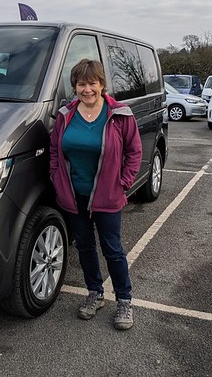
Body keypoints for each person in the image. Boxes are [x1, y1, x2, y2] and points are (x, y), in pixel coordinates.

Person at [50, 59, 142, 330]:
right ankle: (95, 293)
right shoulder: (65, 115)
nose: (87, 89)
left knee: (112, 249)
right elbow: (55, 152)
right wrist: (57, 180)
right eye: (81, 84)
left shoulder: (120, 115)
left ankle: (124, 300)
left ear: (102, 85)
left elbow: (134, 153)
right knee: (85, 246)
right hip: (74, 195)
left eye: (92, 83)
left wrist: (122, 183)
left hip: (107, 196)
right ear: (74, 86)